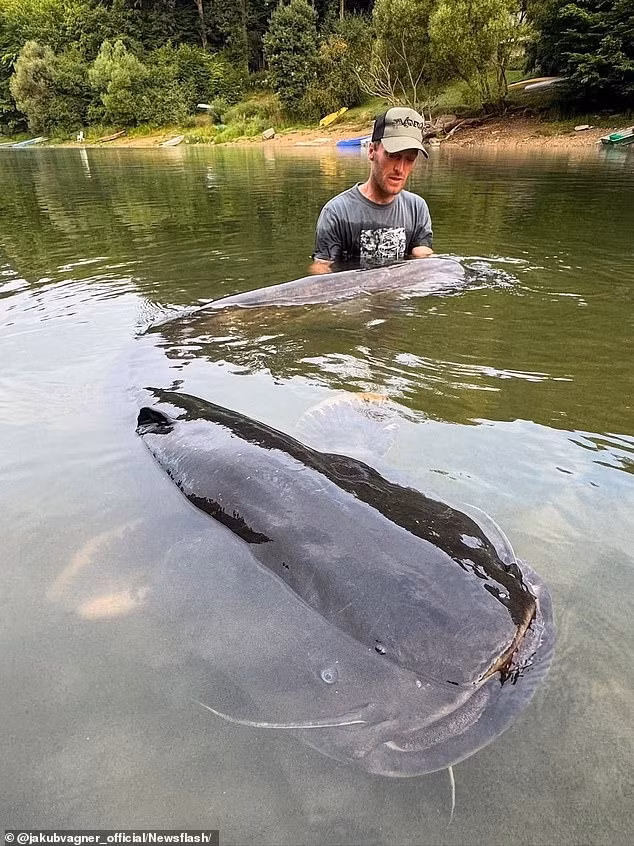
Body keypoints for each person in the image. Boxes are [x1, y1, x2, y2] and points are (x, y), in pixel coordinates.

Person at [310, 107, 433, 274]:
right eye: (392, 155)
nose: (400, 168)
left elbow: (423, 257)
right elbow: (322, 268)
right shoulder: (336, 213)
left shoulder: (417, 208)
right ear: (371, 151)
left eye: (410, 159)